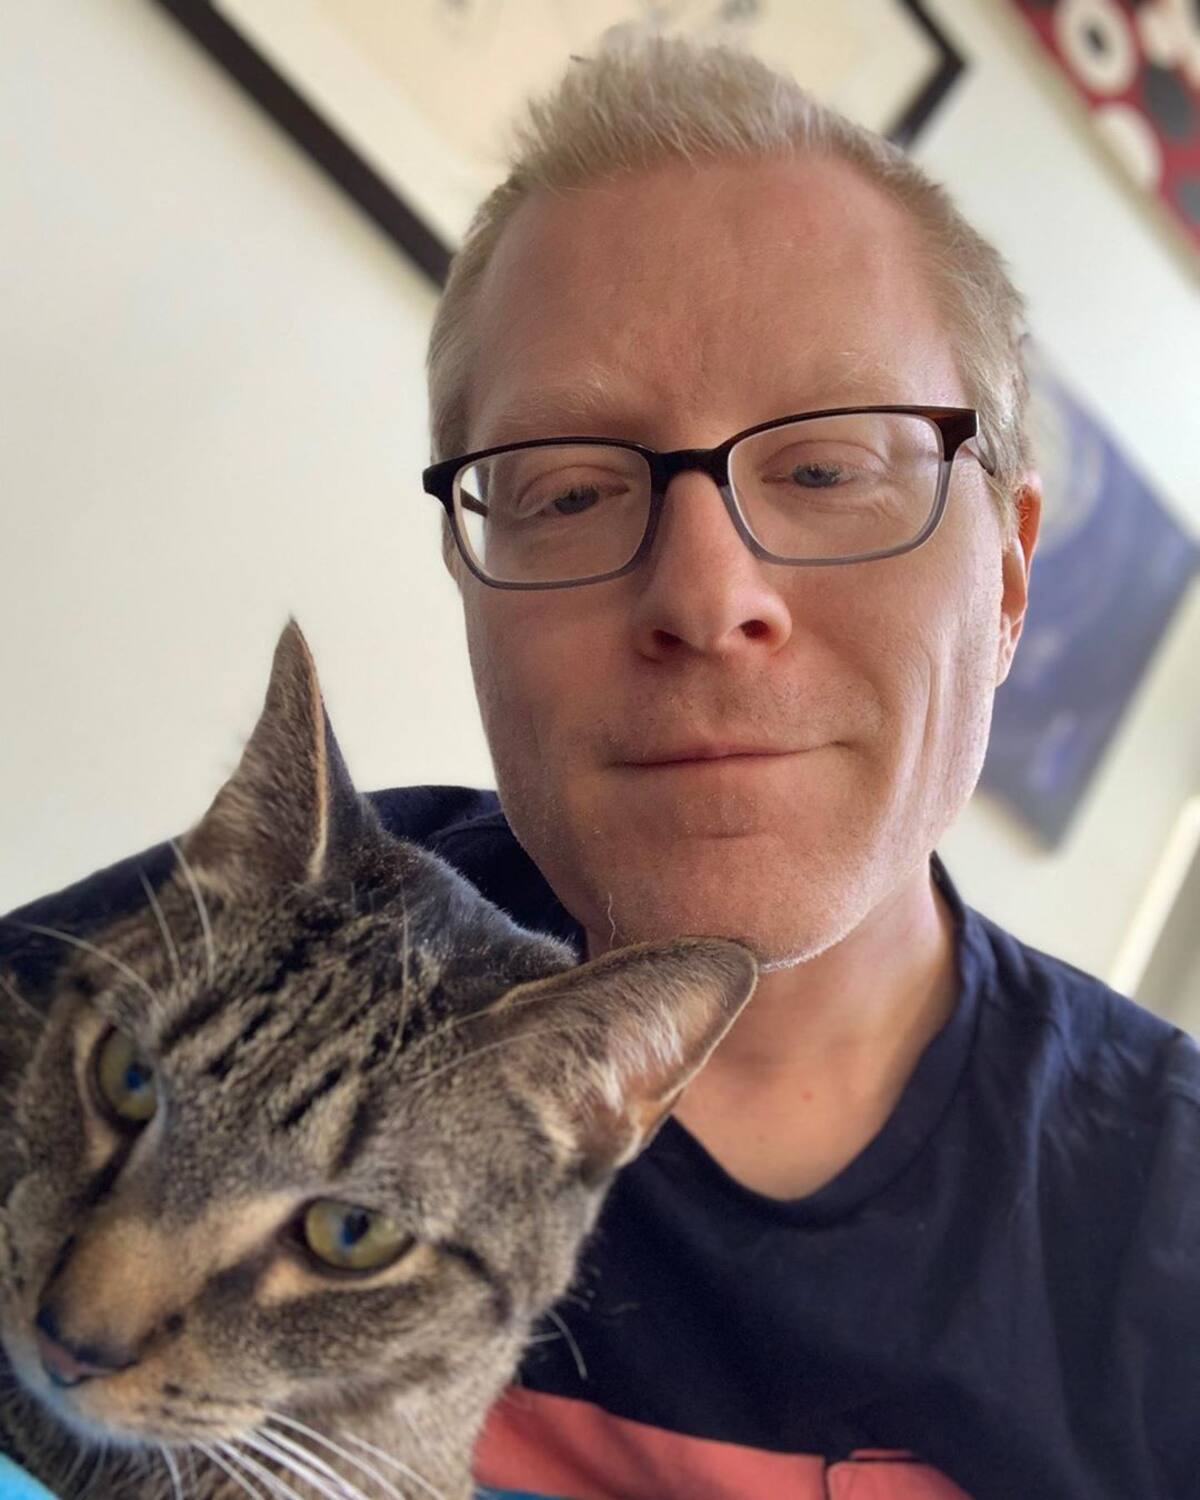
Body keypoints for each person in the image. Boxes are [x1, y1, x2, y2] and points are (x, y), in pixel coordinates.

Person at [4, 36, 1198, 1500]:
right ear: (472, 579)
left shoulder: (1166, 1231)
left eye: (828, 470)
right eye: (571, 489)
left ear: (1007, 584)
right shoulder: (278, 929)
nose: (705, 596)